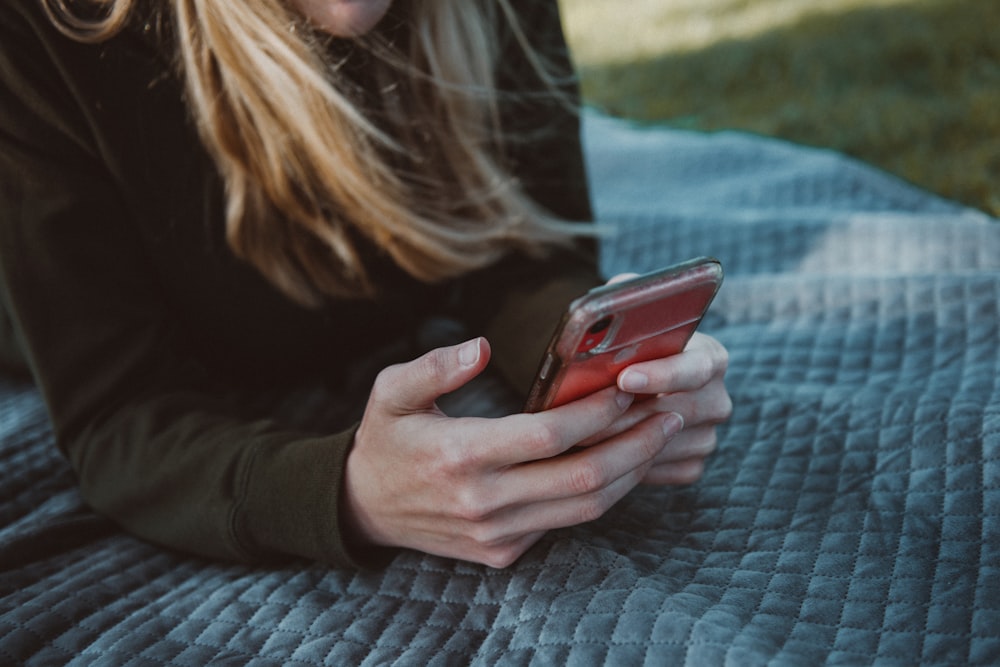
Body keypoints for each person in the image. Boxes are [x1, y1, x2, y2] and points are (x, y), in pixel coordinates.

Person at [0, 0, 732, 569]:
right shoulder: (44, 36)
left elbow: (522, 249)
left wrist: (603, 363)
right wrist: (347, 495)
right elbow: (119, 416)